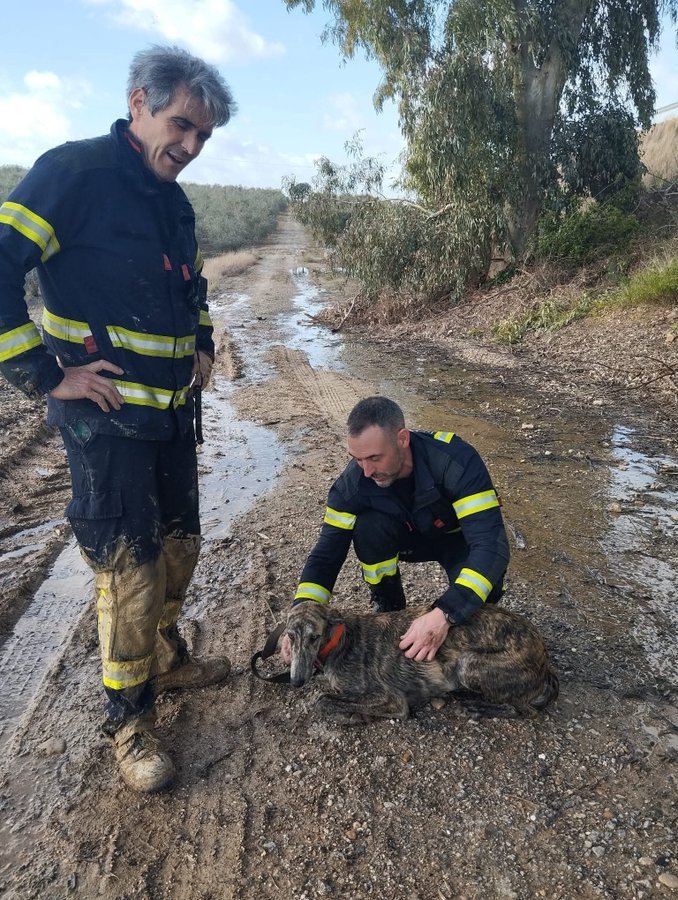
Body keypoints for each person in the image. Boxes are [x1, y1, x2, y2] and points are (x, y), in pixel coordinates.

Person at [0, 46, 236, 793]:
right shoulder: (74, 174)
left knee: (180, 547)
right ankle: (128, 723)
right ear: (139, 103)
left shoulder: (174, 200)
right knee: (130, 570)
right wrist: (45, 374)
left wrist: (199, 342)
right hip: (104, 425)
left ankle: (166, 657)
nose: (192, 147)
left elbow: (190, 284)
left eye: (204, 136)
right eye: (182, 126)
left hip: (170, 416)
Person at [283, 396, 510, 663]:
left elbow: (491, 545)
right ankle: (389, 606)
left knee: (483, 594)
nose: (367, 471)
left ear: (403, 439)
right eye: (357, 459)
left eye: (375, 458)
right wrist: (300, 614)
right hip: (408, 539)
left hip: (457, 539)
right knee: (368, 527)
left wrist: (445, 613)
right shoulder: (351, 485)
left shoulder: (455, 461)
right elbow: (326, 555)